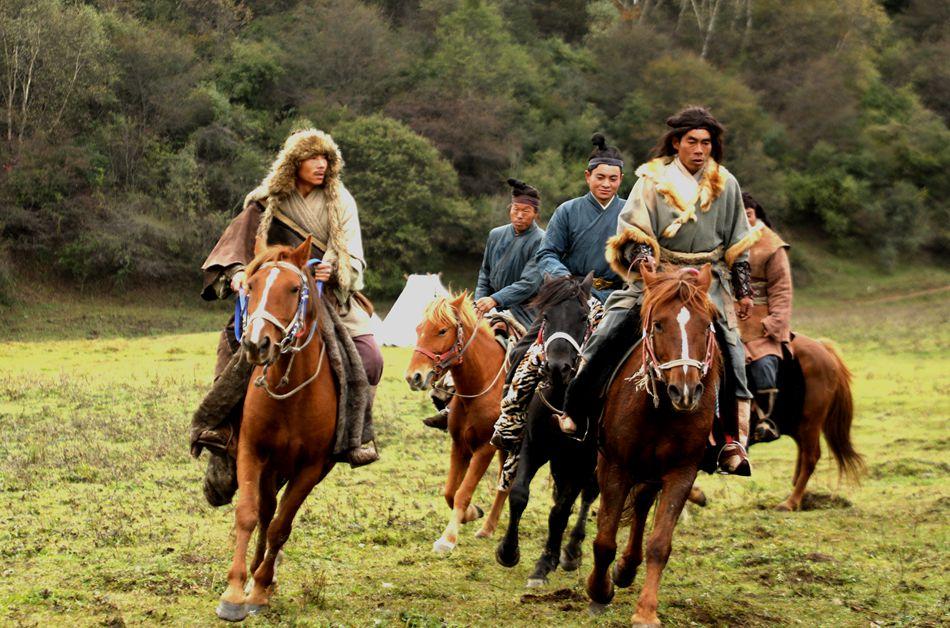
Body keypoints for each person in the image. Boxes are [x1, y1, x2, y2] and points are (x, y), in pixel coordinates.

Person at [562, 106, 759, 476]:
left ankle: (731, 440)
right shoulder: (651, 180)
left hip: (706, 282)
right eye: (692, 141)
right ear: (676, 143)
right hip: (658, 277)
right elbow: (633, 229)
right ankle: (579, 410)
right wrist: (644, 261)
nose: (699, 149)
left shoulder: (726, 183)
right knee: (611, 330)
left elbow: (738, 242)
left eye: (706, 143)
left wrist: (743, 289)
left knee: (732, 351)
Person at [191, 128, 383, 502]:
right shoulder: (266, 201)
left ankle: (351, 436)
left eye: (326, 158)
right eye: (313, 158)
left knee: (371, 357)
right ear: (294, 163)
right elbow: (236, 246)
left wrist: (334, 268)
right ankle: (222, 429)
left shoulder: (340, 200)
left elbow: (353, 255)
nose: (321, 165)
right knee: (235, 342)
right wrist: (239, 273)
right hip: (275, 294)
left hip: (325, 294)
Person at [488, 134, 625, 486]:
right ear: (587, 176)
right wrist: (568, 283)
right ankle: (512, 423)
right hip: (568, 295)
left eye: (613, 178)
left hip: (614, 299)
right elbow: (547, 253)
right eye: (600, 177)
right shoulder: (568, 211)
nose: (606, 184)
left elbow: (640, 257)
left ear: (621, 180)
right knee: (522, 351)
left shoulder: (631, 214)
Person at [421, 179, 546, 431]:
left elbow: (530, 283)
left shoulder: (541, 240)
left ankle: (517, 407)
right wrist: (479, 302)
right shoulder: (496, 235)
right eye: (515, 209)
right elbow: (484, 274)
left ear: (535, 213)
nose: (519, 215)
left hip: (524, 311)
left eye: (526, 211)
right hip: (488, 308)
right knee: (461, 343)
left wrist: (496, 299)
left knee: (524, 354)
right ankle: (449, 401)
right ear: (510, 209)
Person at [737, 192, 792, 443]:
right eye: (740, 215)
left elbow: (782, 288)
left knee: (764, 367)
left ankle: (765, 419)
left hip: (761, 321)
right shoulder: (724, 240)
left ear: (756, 215)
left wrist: (775, 321)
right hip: (728, 317)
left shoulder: (772, 246)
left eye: (748, 214)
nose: (744, 219)